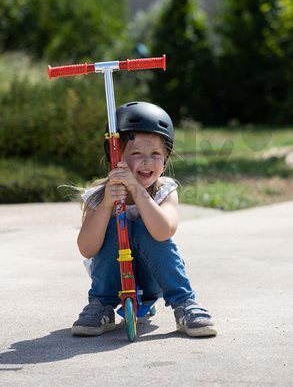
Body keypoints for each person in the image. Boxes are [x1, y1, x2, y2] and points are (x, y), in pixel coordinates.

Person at [72, 101, 217, 338]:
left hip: (153, 278)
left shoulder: (164, 191)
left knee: (144, 228)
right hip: (112, 280)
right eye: (136, 154)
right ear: (115, 156)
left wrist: (137, 191)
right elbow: (86, 248)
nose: (147, 161)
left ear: (166, 158)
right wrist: (107, 204)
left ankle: (185, 303)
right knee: (113, 223)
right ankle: (101, 305)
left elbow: (163, 232)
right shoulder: (98, 197)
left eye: (156, 154)